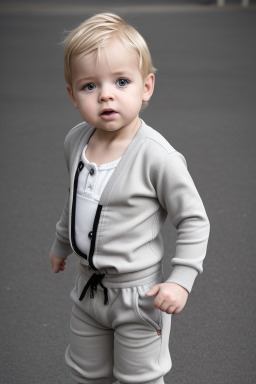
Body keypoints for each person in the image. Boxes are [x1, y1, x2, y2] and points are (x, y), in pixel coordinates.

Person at [50, 12, 210, 384]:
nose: (106, 94)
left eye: (122, 81)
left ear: (146, 87)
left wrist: (180, 279)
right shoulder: (76, 141)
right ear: (73, 95)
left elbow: (193, 219)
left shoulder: (158, 157)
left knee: (140, 378)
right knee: (85, 373)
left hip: (140, 297)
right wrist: (61, 243)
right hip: (87, 290)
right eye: (90, 86)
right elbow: (75, 200)